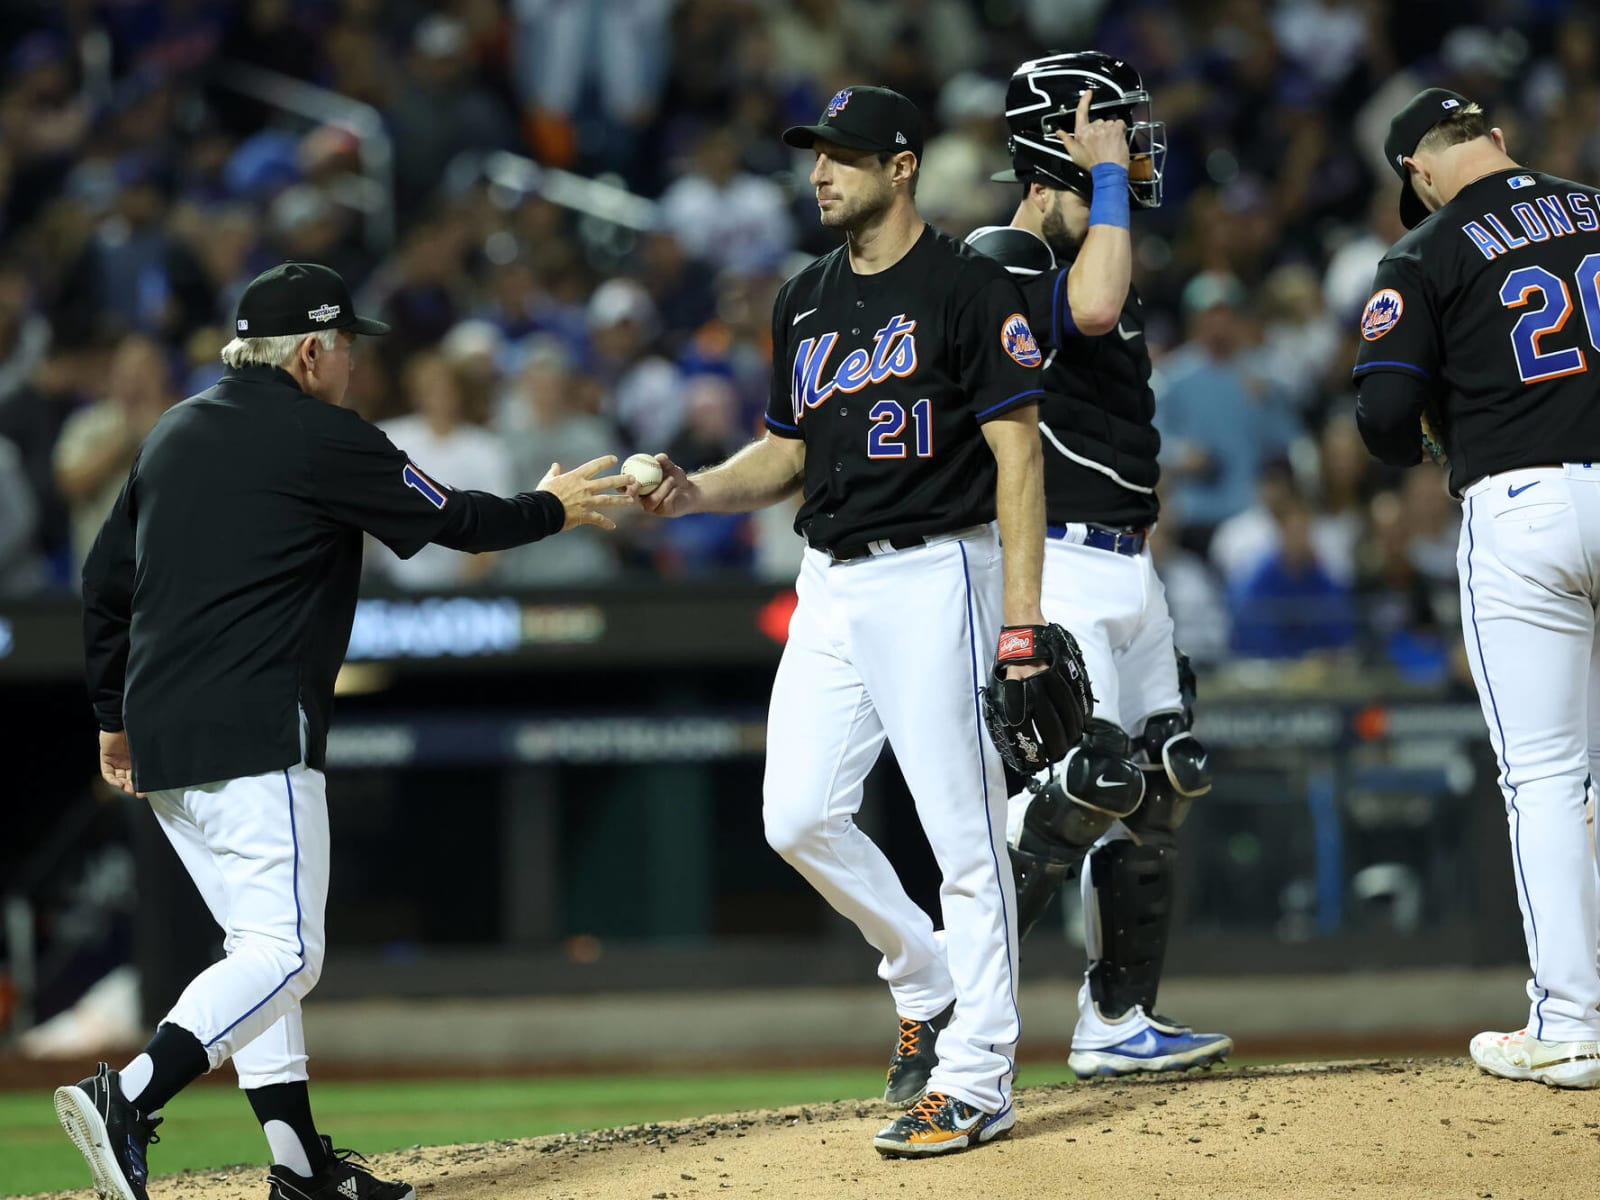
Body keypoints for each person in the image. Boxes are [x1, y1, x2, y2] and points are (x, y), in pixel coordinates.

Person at [53, 262, 629, 1200]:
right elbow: (460, 523)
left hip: (164, 744)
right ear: (312, 350)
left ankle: (299, 1168)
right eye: (348, 346)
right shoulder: (322, 435)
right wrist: (552, 508)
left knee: (256, 949)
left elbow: (100, 586)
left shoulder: (172, 430)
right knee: (287, 956)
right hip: (254, 736)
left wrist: (112, 718)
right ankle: (133, 1098)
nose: (356, 364)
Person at [641, 85, 1050, 1156]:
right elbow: (785, 452)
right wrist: (694, 489)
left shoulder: (965, 284)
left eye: (845, 156)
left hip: (935, 574)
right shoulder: (806, 297)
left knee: (966, 839)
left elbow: (1018, 451)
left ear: (902, 166)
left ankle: (978, 1077)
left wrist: (1020, 623)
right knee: (797, 818)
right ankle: (926, 975)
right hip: (829, 578)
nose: (820, 173)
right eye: (816, 156)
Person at [966, 52, 1232, 1076]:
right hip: (1062, 554)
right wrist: (1105, 182)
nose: (1129, 149)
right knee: (1086, 783)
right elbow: (1081, 310)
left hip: (1130, 555)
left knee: (1163, 779)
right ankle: (957, 1001)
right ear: (1056, 144)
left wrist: (1107, 191)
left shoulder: (1094, 247)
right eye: (1110, 131)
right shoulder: (1004, 249)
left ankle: (1118, 1022)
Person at [1353, 88, 1600, 1088]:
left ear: (1416, 170)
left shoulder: (1426, 250)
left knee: (1543, 775)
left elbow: (1380, 414)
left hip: (1522, 506)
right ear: (1496, 138)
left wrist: (1439, 421)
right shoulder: (1593, 207)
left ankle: (1572, 1021)